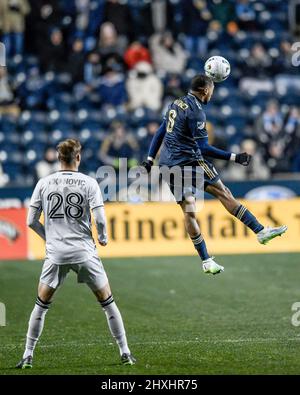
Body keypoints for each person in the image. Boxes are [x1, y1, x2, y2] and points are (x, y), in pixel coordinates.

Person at [141, 74, 287, 274]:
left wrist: (150, 159)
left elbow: (160, 131)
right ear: (205, 91)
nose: (212, 94)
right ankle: (260, 231)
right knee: (223, 193)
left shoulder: (176, 103)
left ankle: (206, 260)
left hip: (168, 164)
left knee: (189, 212)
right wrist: (235, 157)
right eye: (212, 90)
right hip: (191, 161)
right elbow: (204, 148)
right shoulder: (197, 112)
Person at [16, 139, 136, 369]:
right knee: (108, 303)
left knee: (41, 305)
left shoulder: (44, 183)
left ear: (59, 158)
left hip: (56, 254)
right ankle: (125, 352)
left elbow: (30, 221)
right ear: (78, 158)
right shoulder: (89, 183)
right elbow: (100, 218)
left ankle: (28, 355)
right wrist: (102, 237)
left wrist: (48, 238)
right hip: (83, 252)